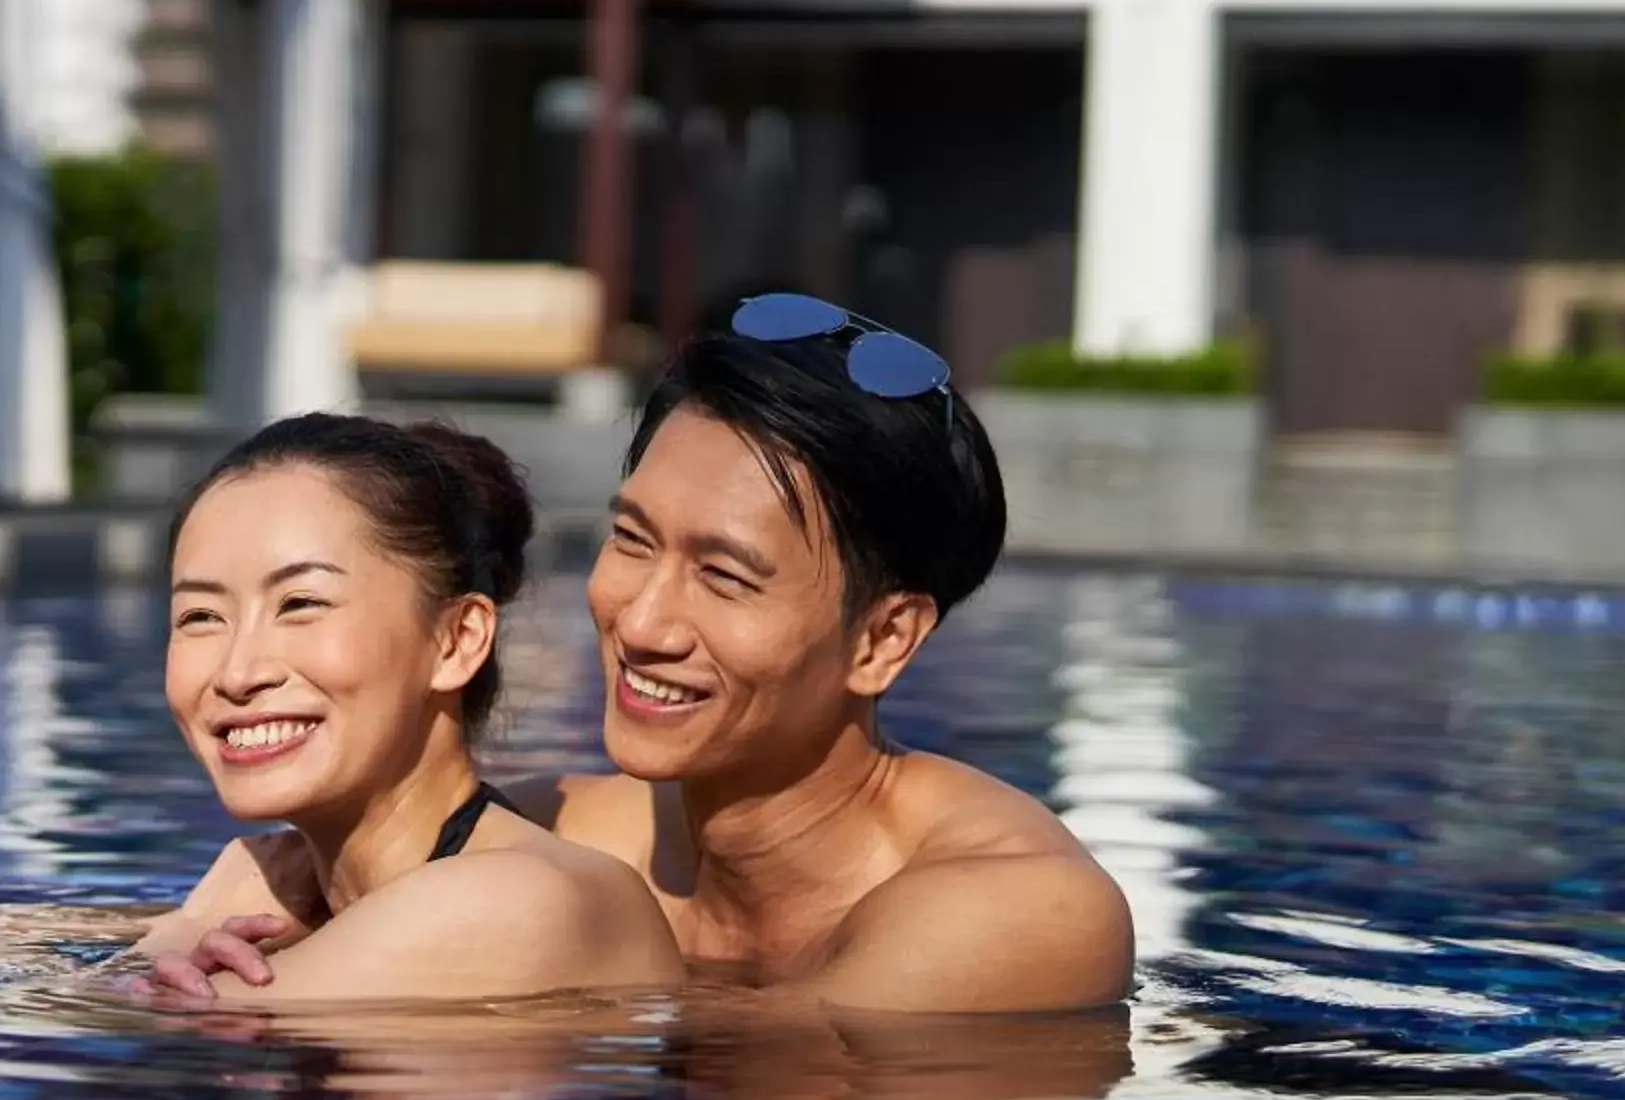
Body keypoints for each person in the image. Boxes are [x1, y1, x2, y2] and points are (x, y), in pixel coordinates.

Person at [155, 297, 1133, 1016]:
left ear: (882, 639)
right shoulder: (574, 827)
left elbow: (760, 1073)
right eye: (631, 540)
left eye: (726, 575)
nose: (644, 619)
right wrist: (249, 895)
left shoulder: (1021, 904)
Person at [126, 413, 683, 1005]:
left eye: (301, 603)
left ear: (457, 640)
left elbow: (108, 1027)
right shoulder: (320, 903)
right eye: (200, 617)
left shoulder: (519, 900)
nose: (238, 673)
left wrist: (184, 931)